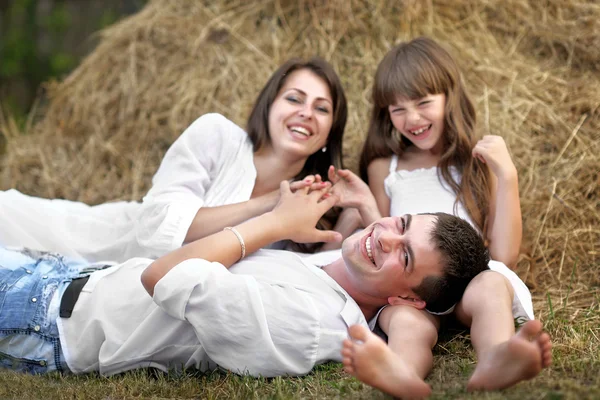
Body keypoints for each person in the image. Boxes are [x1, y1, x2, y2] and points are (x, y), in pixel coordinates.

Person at [0, 180, 492, 382]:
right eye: (400, 223)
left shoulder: (310, 324)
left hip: (52, 322)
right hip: (72, 274)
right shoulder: (332, 272)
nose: (385, 235)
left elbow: (162, 274)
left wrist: (276, 223)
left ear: (407, 296)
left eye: (404, 254)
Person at [335, 37, 548, 397]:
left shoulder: (472, 163)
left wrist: (506, 175)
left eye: (423, 103)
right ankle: (402, 375)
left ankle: (495, 358)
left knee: (491, 286)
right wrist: (357, 208)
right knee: (405, 322)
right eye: (397, 109)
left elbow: (503, 256)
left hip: (467, 282)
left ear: (449, 97)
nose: (412, 119)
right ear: (384, 113)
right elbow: (381, 231)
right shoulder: (384, 167)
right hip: (410, 287)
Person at [0, 57, 347, 263]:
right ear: (269, 104)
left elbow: (329, 267)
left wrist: (363, 207)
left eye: (321, 108)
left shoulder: (311, 202)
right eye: (294, 99)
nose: (305, 114)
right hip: (102, 244)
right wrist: (270, 205)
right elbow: (155, 229)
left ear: (330, 131)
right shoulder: (217, 135)